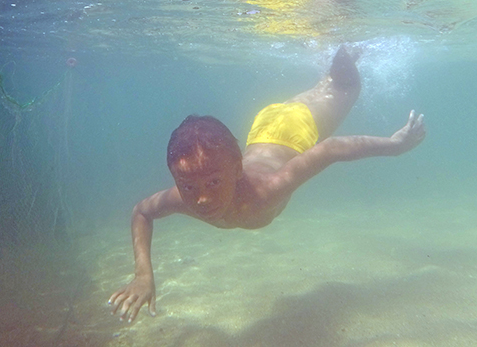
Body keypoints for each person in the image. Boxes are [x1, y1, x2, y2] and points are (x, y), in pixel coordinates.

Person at [108, 45, 426, 323]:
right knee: (326, 81)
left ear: (236, 171)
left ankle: (346, 42)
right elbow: (142, 212)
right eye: (188, 186)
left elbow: (331, 149)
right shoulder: (187, 194)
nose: (202, 199)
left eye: (214, 182)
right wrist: (143, 276)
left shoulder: (265, 191)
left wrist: (394, 145)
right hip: (263, 128)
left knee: (346, 84)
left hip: (297, 127)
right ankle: (329, 49)